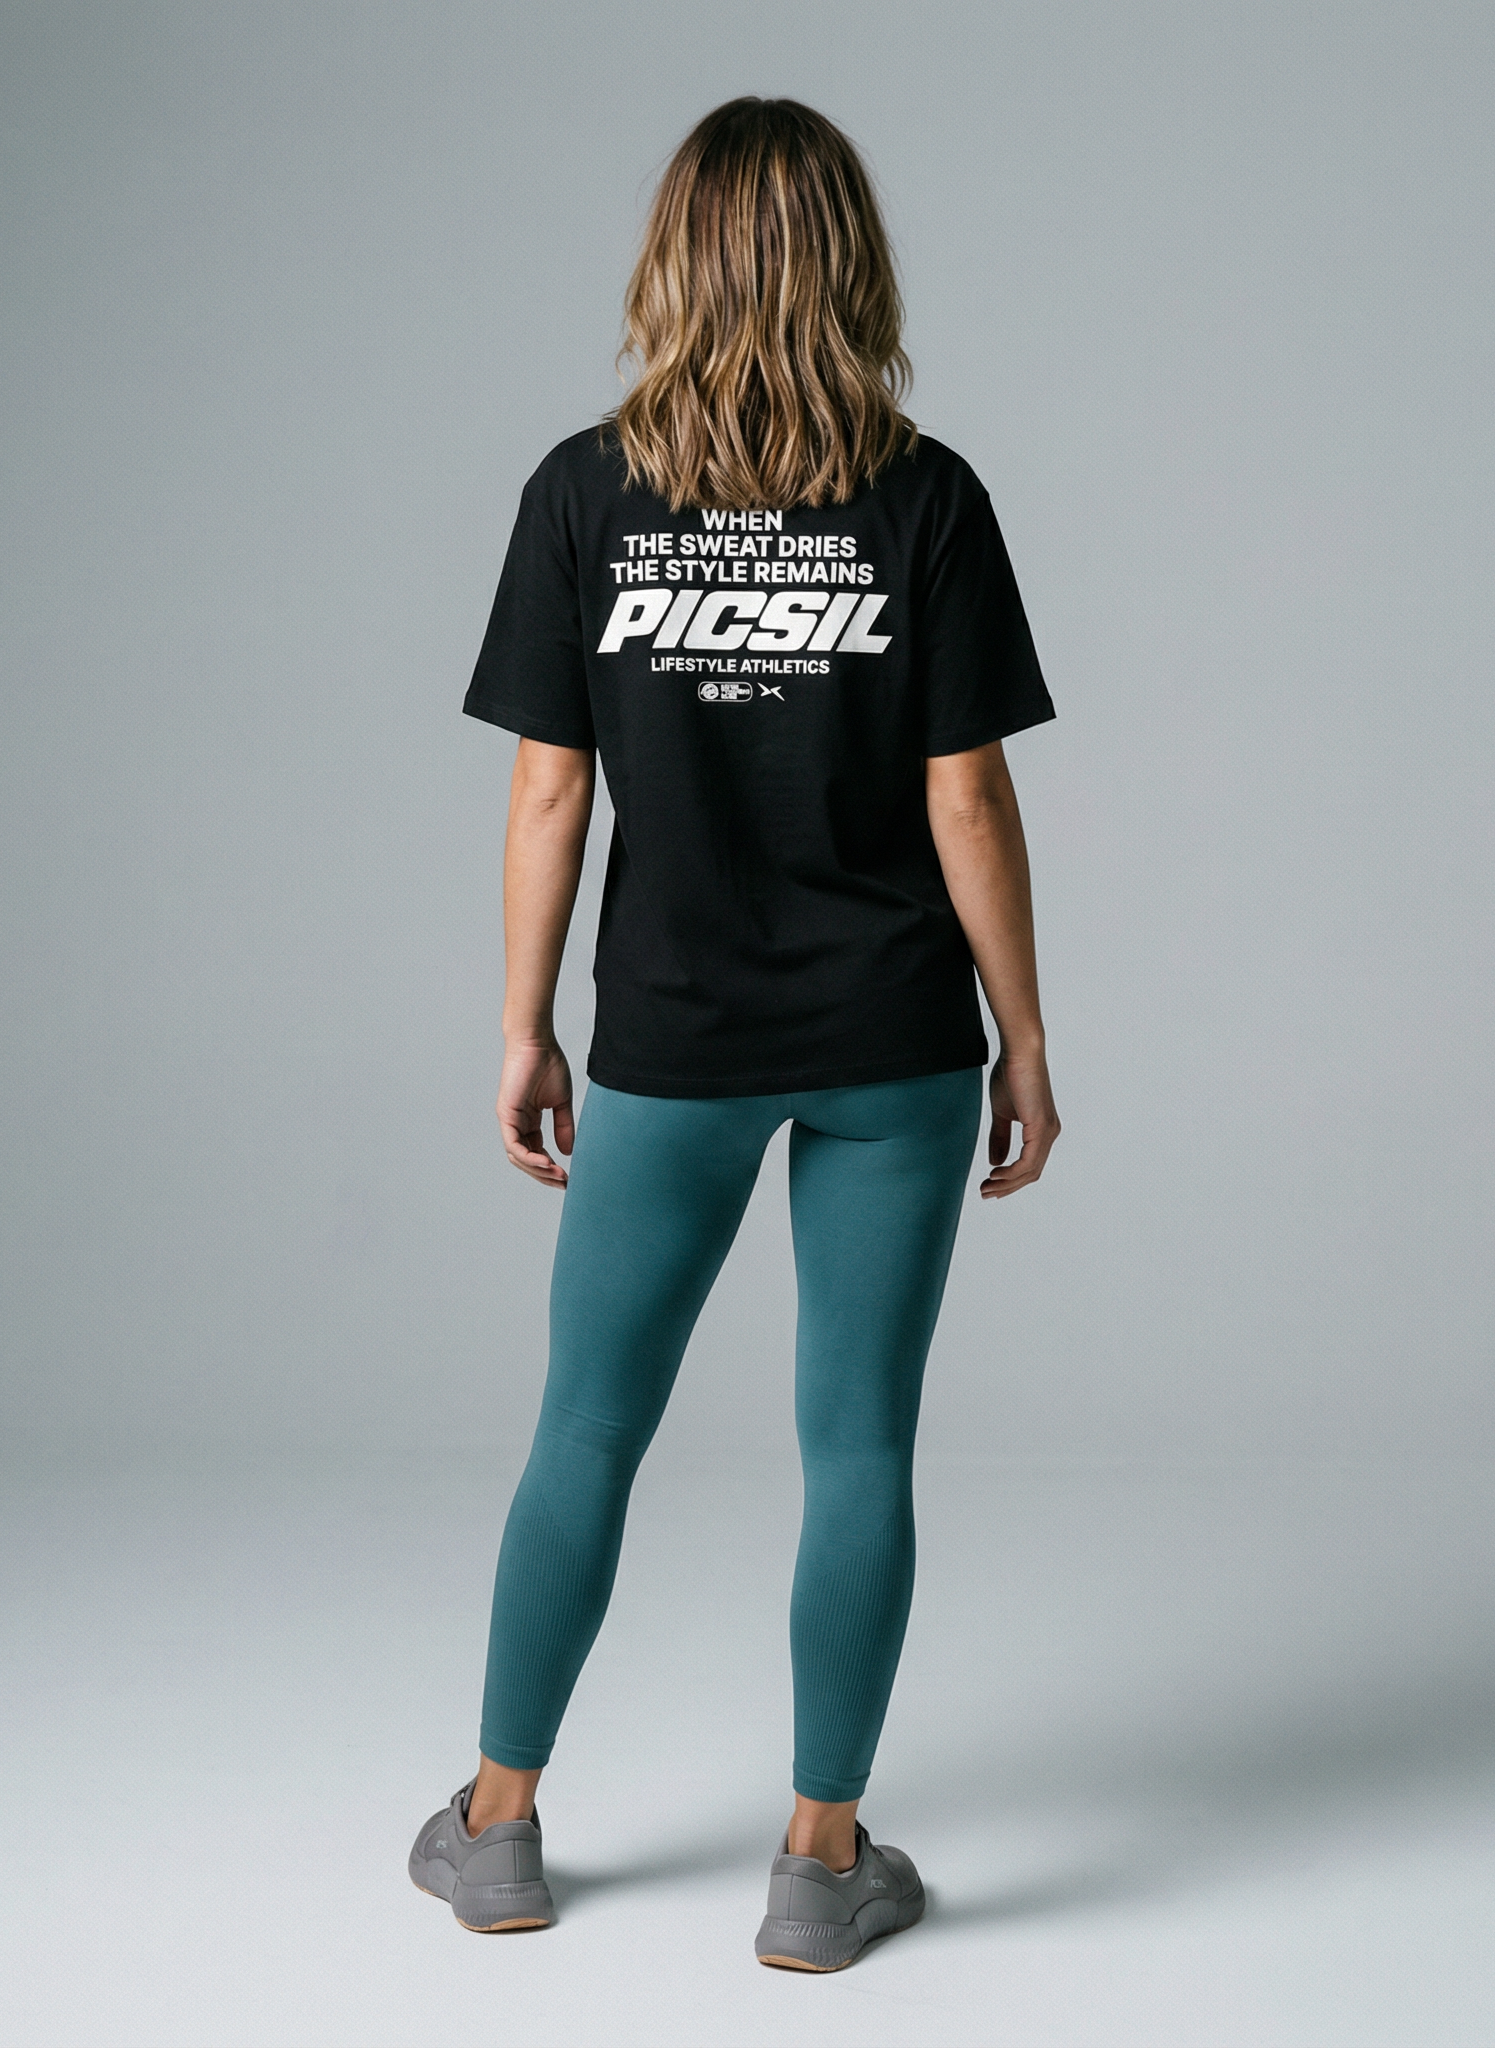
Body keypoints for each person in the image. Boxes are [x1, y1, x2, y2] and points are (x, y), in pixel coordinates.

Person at [409, 95, 1059, 1972]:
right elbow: (967, 799)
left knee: (587, 1429)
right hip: (893, 1043)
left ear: (672, 265)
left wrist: (524, 1024)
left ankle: (499, 1830)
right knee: (858, 1448)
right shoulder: (927, 498)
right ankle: (818, 1866)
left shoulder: (583, 493)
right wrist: (1023, 1035)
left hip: (672, 1044)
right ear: (855, 267)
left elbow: (552, 794)